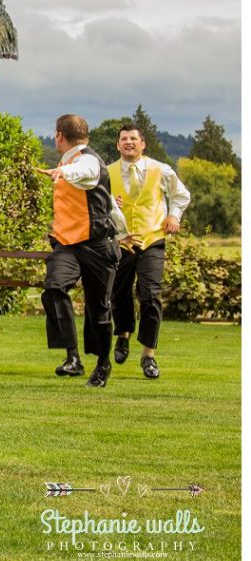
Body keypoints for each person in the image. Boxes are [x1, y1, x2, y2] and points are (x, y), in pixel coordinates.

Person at [36, 114, 127, 388]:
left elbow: (86, 172)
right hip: (67, 244)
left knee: (99, 309)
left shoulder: (86, 160)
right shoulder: (68, 162)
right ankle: (73, 357)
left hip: (97, 246)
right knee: (54, 288)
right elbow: (107, 203)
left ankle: (102, 363)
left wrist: (64, 172)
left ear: (59, 136)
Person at [108, 123, 191, 379]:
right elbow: (96, 203)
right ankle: (123, 334)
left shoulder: (161, 170)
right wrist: (111, 202)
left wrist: (174, 216)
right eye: (124, 139)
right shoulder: (107, 172)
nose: (128, 142)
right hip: (121, 241)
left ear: (143, 144)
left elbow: (181, 195)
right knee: (118, 293)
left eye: (133, 138)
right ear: (118, 145)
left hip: (152, 239)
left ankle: (148, 355)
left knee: (150, 295)